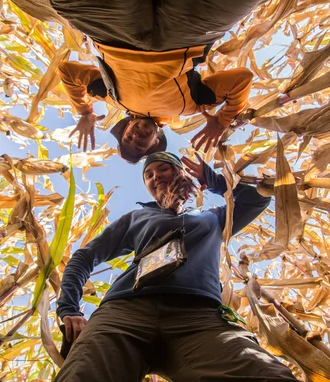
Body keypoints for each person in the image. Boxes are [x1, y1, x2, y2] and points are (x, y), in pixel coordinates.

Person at [54, 152, 297, 381]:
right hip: (124, 311)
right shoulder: (138, 217)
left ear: (181, 173)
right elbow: (84, 257)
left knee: (266, 375)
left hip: (200, 317)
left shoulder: (214, 217)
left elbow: (257, 200)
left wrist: (215, 181)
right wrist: (69, 308)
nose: (155, 176)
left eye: (163, 169)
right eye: (148, 175)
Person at [41, 0, 278, 162]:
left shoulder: (113, 98)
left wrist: (84, 112)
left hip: (113, 31)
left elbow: (68, 72)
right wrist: (222, 121)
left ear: (126, 128)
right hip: (187, 33)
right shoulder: (191, 106)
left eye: (128, 138)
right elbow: (241, 80)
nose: (136, 138)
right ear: (157, 140)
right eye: (141, 146)